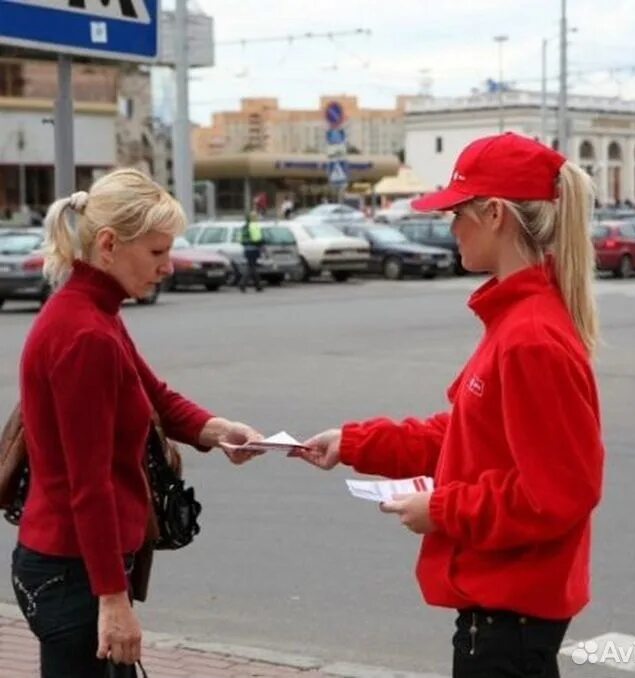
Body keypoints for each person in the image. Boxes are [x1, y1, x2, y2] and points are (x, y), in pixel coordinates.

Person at [293, 133, 605, 677]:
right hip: (503, 615)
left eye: (456, 213)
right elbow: (467, 433)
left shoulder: (530, 336)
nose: (449, 227)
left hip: (509, 622)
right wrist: (356, 443)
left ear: (493, 214)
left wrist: (440, 510)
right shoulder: (515, 321)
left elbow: (558, 495)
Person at [13, 168, 264, 678]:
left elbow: (156, 398)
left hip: (75, 566)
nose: (168, 267)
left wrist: (218, 431)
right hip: (74, 572)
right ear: (108, 244)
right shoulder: (86, 334)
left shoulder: (96, 313)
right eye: (156, 253)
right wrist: (112, 600)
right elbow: (90, 483)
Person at [239, 211, 264, 292]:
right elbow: (258, 239)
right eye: (255, 217)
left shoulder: (244, 226)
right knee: (251, 267)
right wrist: (261, 244)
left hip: (246, 249)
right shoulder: (254, 225)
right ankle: (243, 283)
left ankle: (258, 285)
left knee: (252, 266)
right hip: (254, 249)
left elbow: (241, 239)